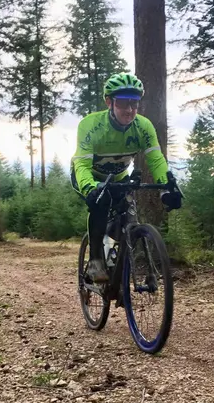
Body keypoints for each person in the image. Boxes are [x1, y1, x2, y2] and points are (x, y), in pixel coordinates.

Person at [70, 71, 182, 283]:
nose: (129, 110)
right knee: (101, 202)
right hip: (88, 176)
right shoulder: (90, 125)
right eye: (122, 103)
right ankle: (95, 261)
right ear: (109, 102)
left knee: (127, 215)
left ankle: (114, 255)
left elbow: (156, 160)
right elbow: (82, 164)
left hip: (119, 177)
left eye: (134, 103)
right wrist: (89, 188)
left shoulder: (143, 126)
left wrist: (167, 187)